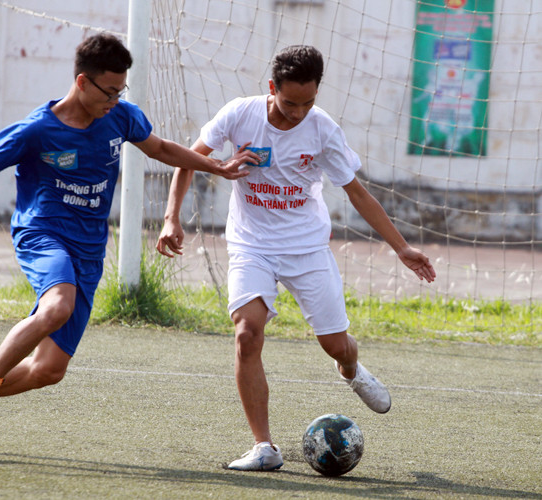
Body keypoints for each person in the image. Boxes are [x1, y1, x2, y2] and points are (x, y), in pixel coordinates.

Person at [0, 33, 257, 451]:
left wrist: (216, 167)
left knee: (48, 370)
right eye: (109, 91)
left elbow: (162, 149)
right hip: (43, 233)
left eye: (121, 91)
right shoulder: (38, 130)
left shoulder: (121, 116)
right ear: (82, 82)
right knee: (57, 307)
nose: (115, 99)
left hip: (88, 249)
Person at [156, 45, 436, 471]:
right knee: (247, 334)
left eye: (308, 103)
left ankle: (351, 369)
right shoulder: (240, 114)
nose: (299, 113)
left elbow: (357, 193)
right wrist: (171, 218)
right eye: (290, 103)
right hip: (251, 245)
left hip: (306, 248)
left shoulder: (323, 130)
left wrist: (401, 247)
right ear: (272, 88)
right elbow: (189, 160)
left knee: (335, 345)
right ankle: (264, 447)